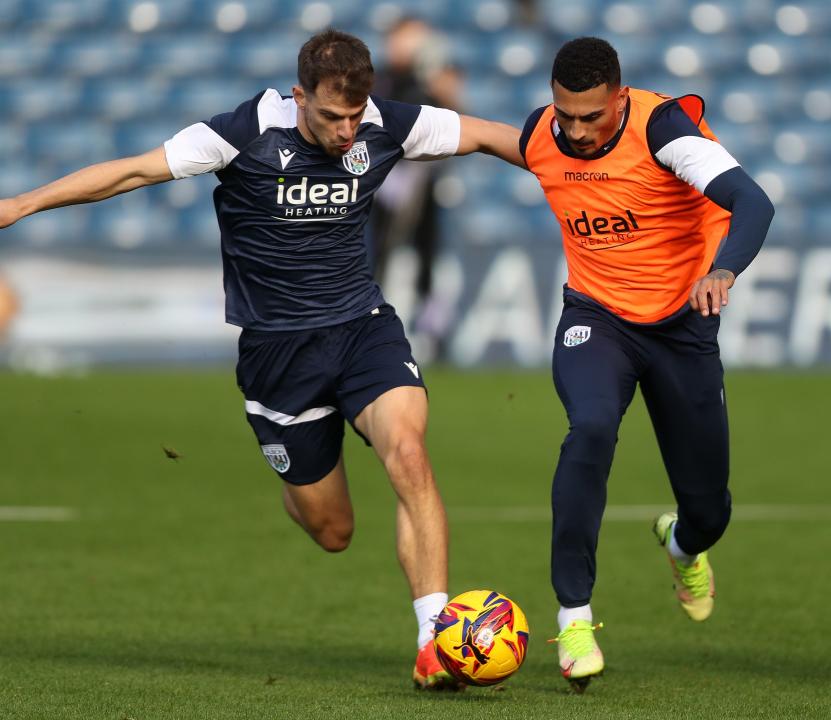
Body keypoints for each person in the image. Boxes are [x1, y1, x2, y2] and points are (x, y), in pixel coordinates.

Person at [0, 29, 522, 690]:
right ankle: (298, 477)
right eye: (331, 117)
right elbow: (133, 170)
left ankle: (433, 639)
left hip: (362, 329)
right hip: (279, 356)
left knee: (409, 455)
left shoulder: (386, 123)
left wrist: (580, 170)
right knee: (332, 531)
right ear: (299, 96)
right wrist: (21, 203)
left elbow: (490, 135)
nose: (345, 131)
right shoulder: (241, 132)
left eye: (354, 117)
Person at [518, 37, 774, 691]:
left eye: (591, 116)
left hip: (682, 328)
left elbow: (754, 201)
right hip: (595, 319)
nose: (575, 130)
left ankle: (682, 546)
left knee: (710, 512)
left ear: (620, 98)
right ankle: (574, 620)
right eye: (564, 114)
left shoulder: (664, 129)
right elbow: (475, 135)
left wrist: (722, 269)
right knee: (592, 427)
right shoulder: (540, 134)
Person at [366, 17, 462, 358]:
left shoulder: (433, 75)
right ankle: (369, 325)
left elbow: (456, 123)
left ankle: (433, 333)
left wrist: (447, 94)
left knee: (427, 255)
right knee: (379, 254)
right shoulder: (380, 79)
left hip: (423, 179)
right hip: (385, 181)